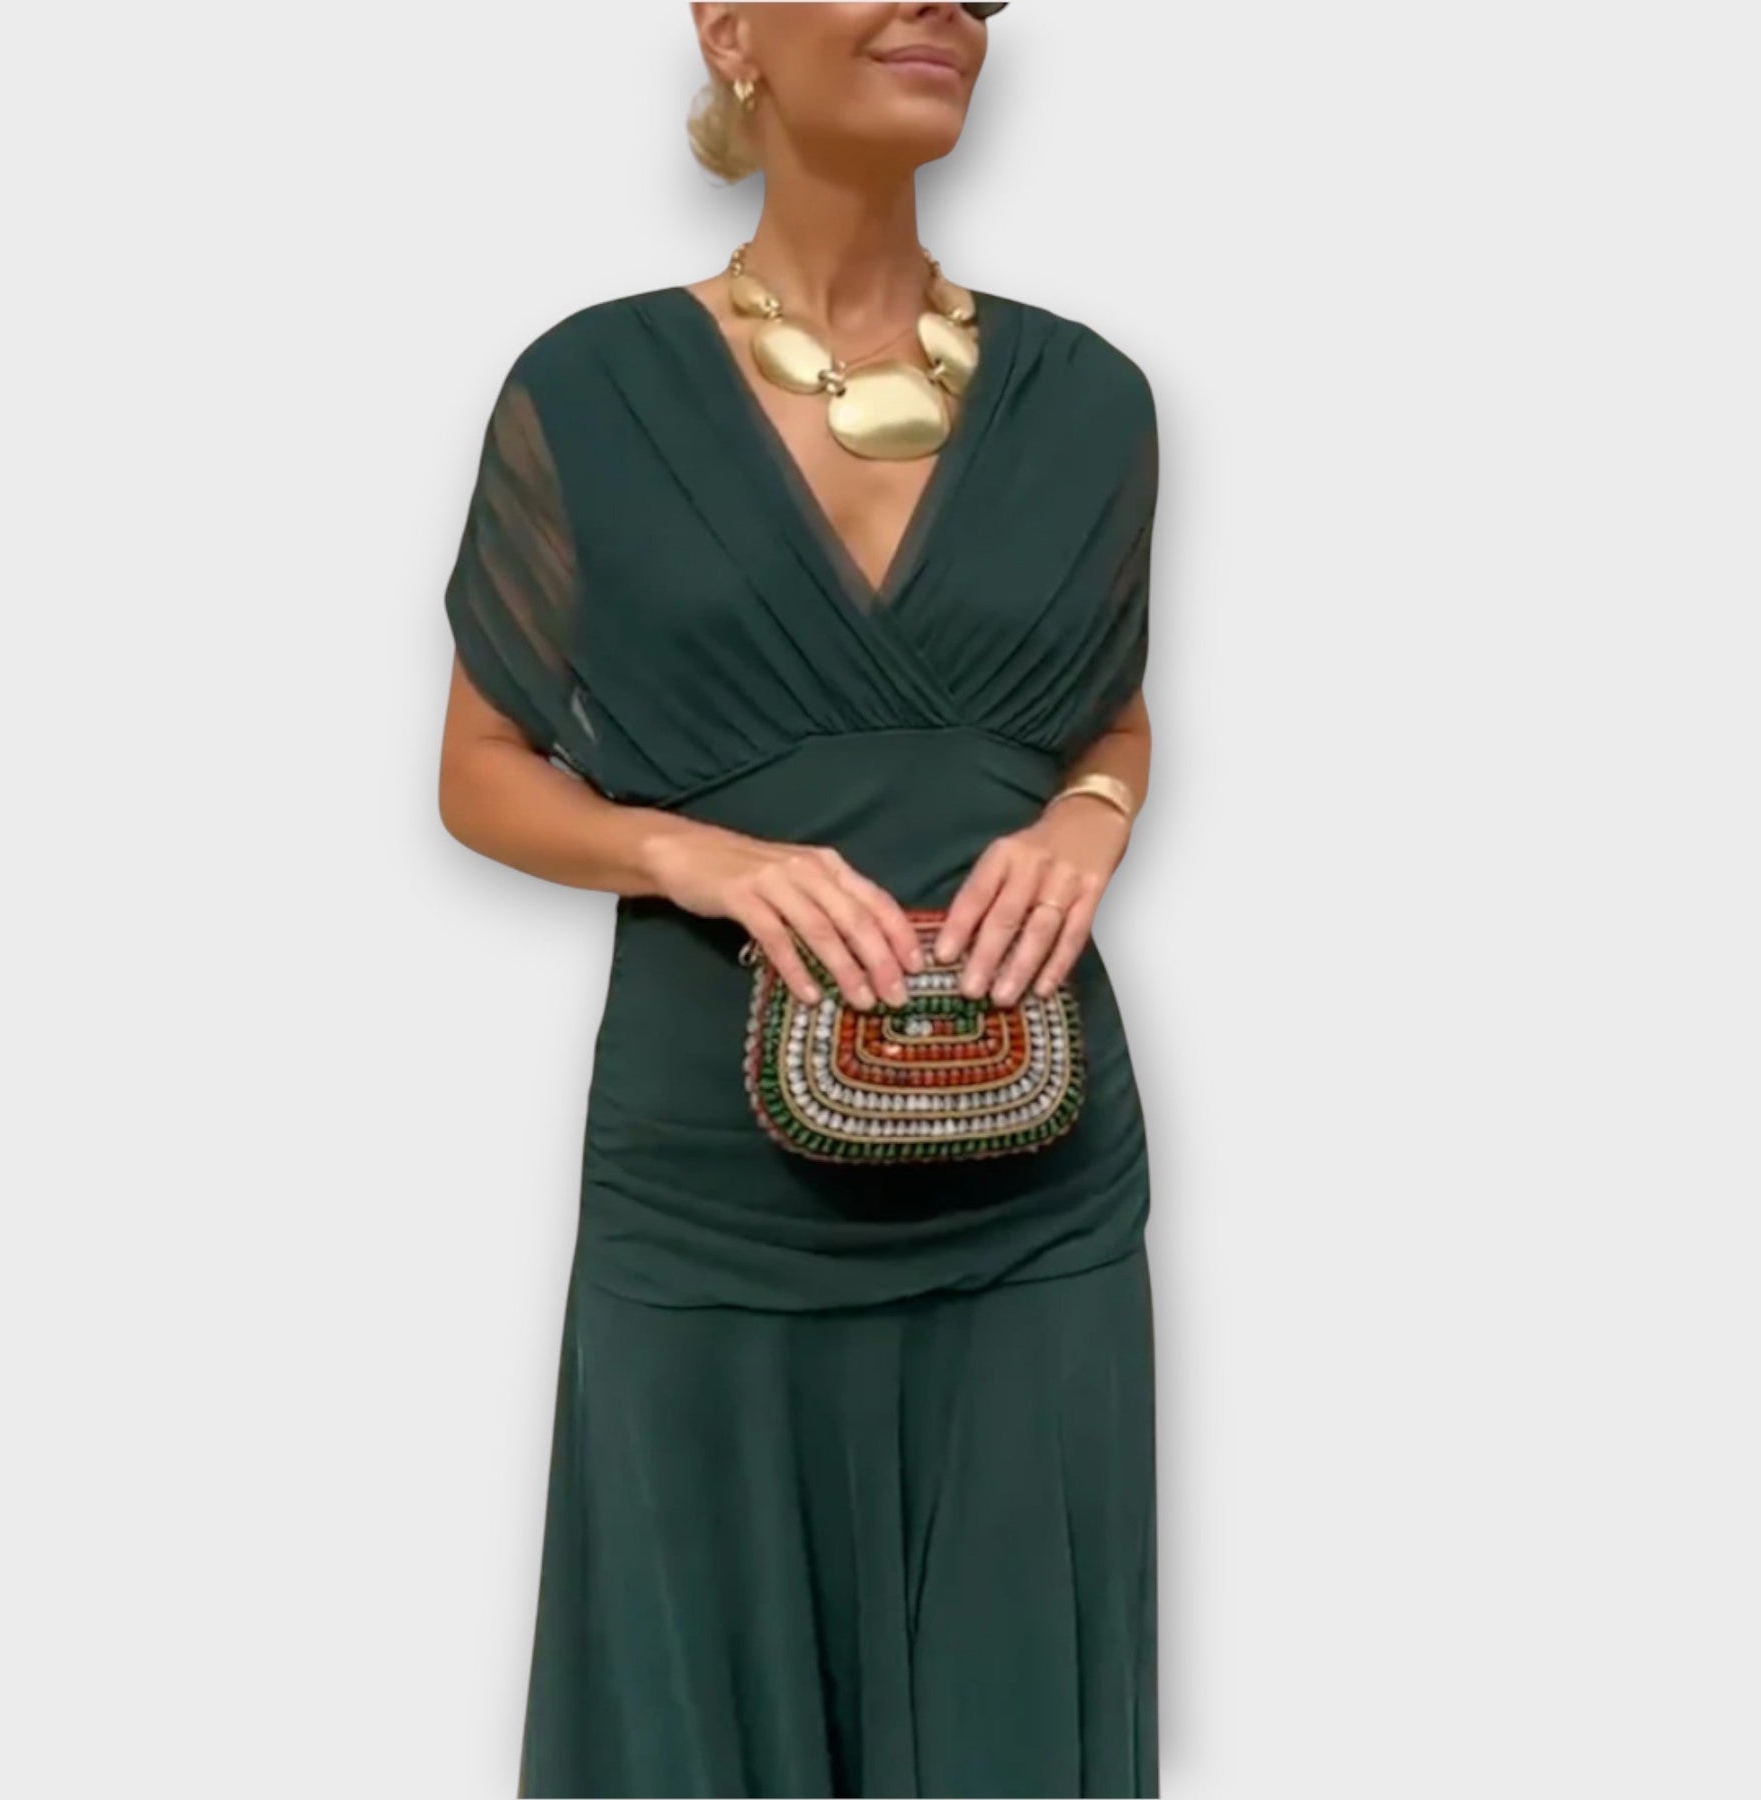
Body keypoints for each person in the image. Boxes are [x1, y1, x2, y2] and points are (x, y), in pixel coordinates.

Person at [437, 4, 1160, 1793]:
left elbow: (1110, 713)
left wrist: (1093, 814)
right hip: (713, 1196)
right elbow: (481, 769)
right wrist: (686, 850)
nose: (945, 5)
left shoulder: (1093, 401)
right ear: (731, 27)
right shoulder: (588, 390)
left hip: (1034, 1193)